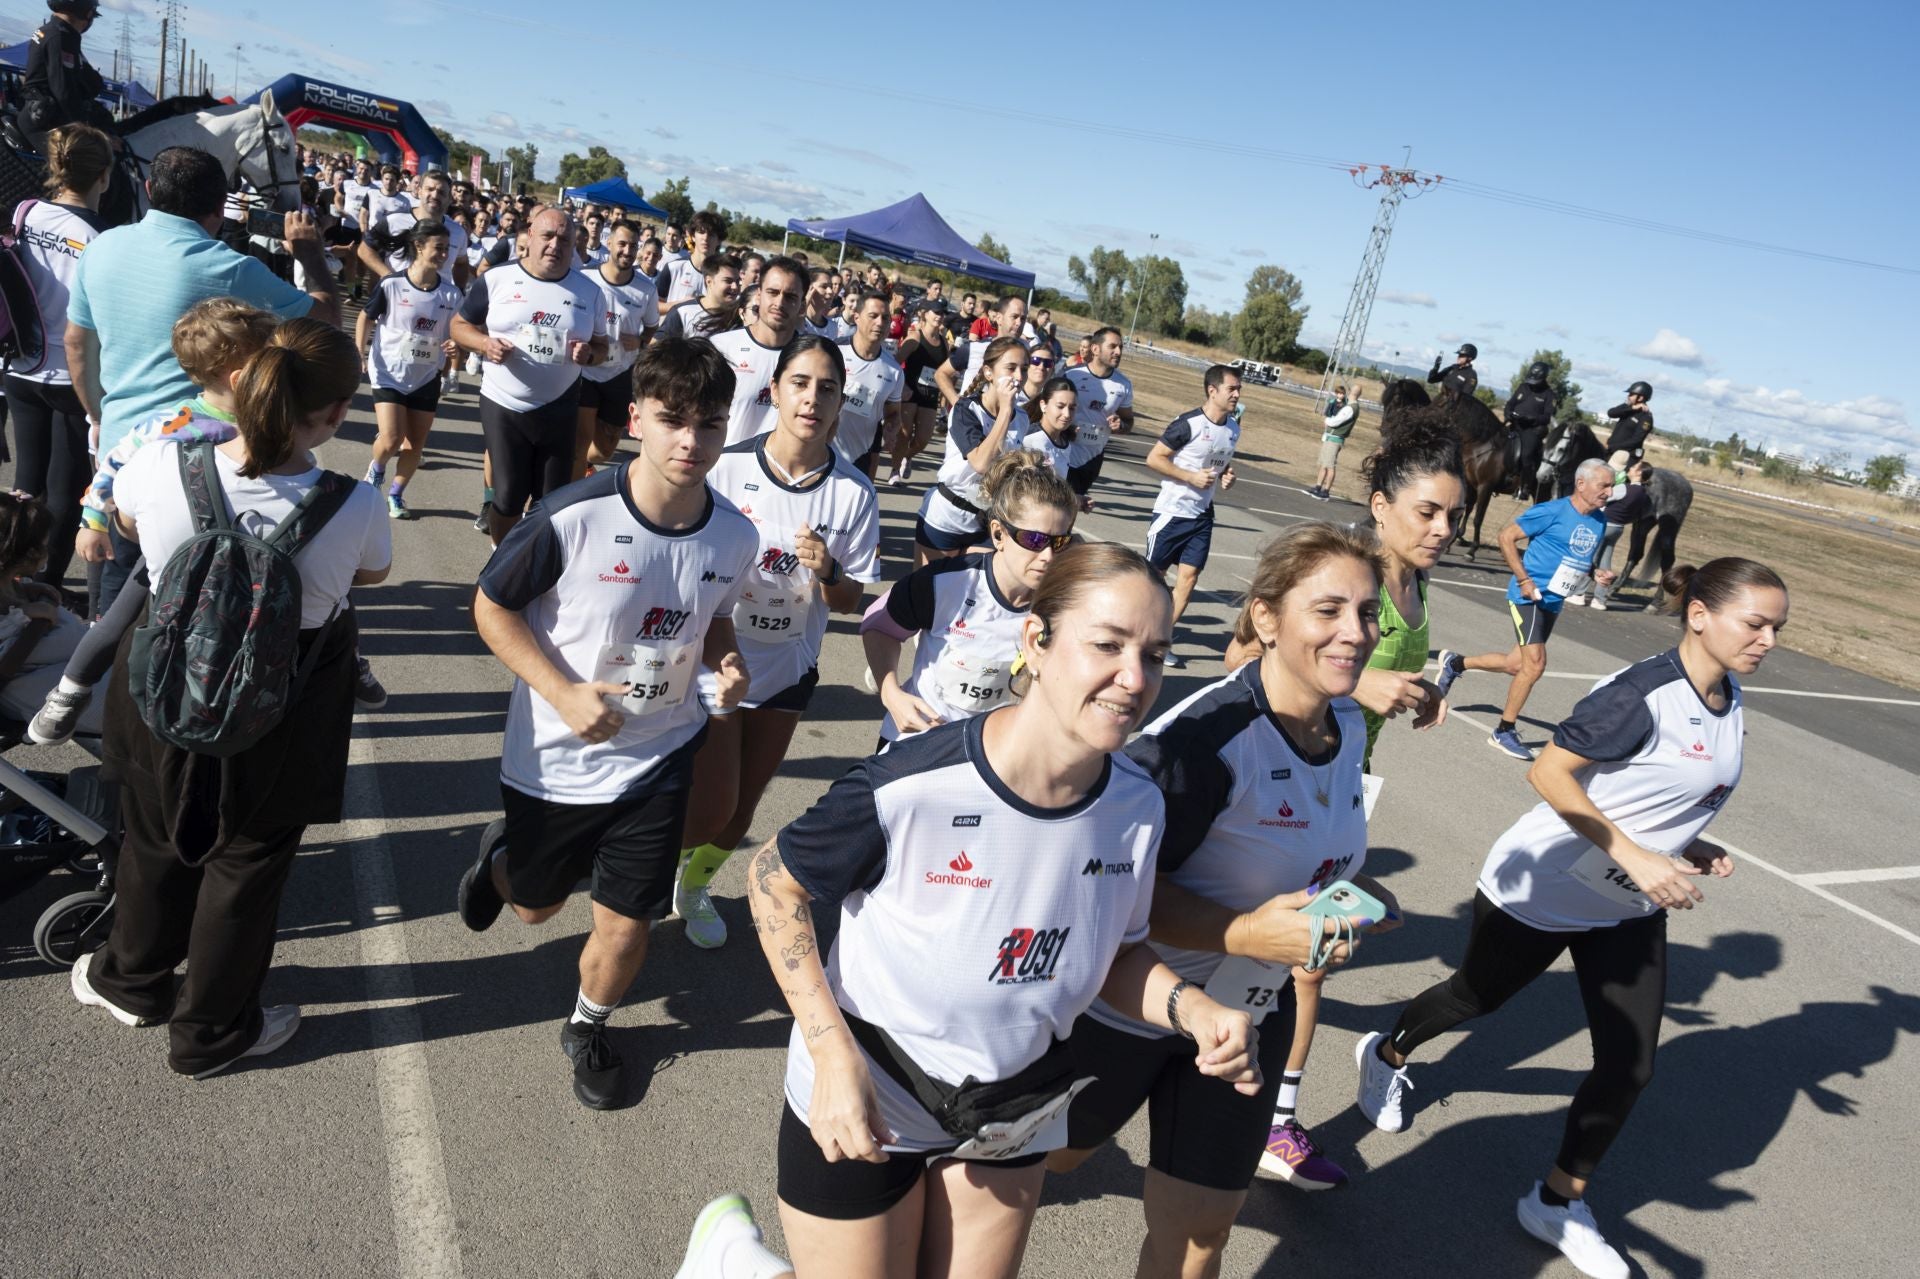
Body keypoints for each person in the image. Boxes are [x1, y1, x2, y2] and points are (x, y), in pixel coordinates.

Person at [744, 541, 1258, 1279]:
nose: (1135, 677)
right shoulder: (915, 784)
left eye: (1155, 652)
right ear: (1036, 642)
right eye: (1107, 645)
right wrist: (830, 1054)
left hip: (1014, 1105)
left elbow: (1113, 951)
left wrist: (1192, 1009)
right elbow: (771, 881)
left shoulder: (1139, 804)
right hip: (874, 1087)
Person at [1356, 559, 1788, 1279]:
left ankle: (1557, 1200)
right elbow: (1548, 772)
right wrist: (1636, 852)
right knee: (1475, 995)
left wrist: (1684, 842)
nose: (1768, 638)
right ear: (1700, 614)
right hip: (1546, 884)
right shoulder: (1640, 693)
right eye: (1756, 622)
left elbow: (1657, 787)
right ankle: (1387, 1052)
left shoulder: (1728, 691)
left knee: (1630, 1062)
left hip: (1624, 902)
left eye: (1778, 626)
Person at [1044, 526, 1389, 1277]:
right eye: (1329, 609)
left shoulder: (1349, 722)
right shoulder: (1202, 741)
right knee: (1048, 1164)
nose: (1356, 633)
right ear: (1266, 618)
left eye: (1368, 614)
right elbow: (1103, 892)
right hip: (1126, 1009)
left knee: (1203, 1235)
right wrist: (1243, 932)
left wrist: (1345, 907)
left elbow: (1315, 860)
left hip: (1244, 1022)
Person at [71, 319, 392, 1080]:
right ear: (337, 410)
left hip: (162, 692)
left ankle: (130, 980)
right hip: (281, 709)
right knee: (245, 867)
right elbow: (367, 576)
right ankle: (211, 1032)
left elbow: (122, 524)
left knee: (151, 840)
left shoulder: (158, 464)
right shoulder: (355, 505)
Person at [458, 338, 759, 1110]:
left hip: (660, 753)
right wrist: (560, 692)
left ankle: (588, 1024)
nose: (692, 442)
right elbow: (492, 607)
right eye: (673, 421)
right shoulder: (572, 516)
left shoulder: (735, 535)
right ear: (635, 419)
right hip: (555, 761)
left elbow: (715, 618)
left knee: (628, 925)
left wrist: (724, 665)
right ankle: (501, 863)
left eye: (712, 425)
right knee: (535, 906)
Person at [1227, 408, 1467, 1189]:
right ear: (1381, 506)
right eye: (1427, 511)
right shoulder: (1339, 570)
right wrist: (1360, 680)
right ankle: (1273, 1117)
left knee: (1303, 957)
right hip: (1282, 768)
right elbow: (1245, 649)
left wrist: (1416, 694)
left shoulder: (1414, 581)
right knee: (1300, 959)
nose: (1442, 528)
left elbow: (1377, 674)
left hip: (1344, 782)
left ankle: (1258, 1103)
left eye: (1453, 515)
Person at [64, 146, 340, 616]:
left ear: (150, 191)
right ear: (220, 206)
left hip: (120, 448)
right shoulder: (231, 268)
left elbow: (76, 344)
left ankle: (94, 681)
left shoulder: (103, 246)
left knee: (112, 602)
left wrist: (98, 414)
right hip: (201, 469)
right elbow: (328, 320)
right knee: (195, 609)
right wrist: (311, 255)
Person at [673, 337, 882, 950]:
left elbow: (849, 602)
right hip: (715, 659)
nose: (811, 398)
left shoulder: (853, 493)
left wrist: (830, 571)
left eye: (827, 388)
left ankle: (693, 889)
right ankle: (647, 861)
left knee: (741, 809)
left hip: (789, 666)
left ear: (842, 402)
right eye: (800, 383)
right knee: (710, 799)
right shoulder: (728, 467)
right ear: (775, 390)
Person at [34, 299, 284, 744]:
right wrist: (91, 520)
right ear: (240, 376)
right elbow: (113, 463)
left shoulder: (268, 419)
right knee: (116, 622)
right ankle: (70, 691)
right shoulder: (176, 424)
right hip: (166, 555)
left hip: (234, 551)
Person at [863, 450, 1075, 745]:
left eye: (1060, 541)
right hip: (916, 743)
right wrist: (891, 693)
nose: (1048, 555)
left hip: (993, 757)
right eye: (1035, 540)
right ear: (999, 534)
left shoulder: (1063, 606)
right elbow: (879, 626)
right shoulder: (946, 582)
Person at [1434, 457, 1618, 760]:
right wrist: (1523, 579)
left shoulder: (1598, 520)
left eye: (1611, 487)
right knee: (1535, 665)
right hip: (1528, 597)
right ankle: (1503, 730)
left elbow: (1576, 555)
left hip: (1554, 600)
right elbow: (1506, 537)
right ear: (1581, 484)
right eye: (1604, 485)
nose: (1609, 492)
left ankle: (1455, 664)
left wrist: (1596, 572)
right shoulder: (1552, 511)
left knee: (1514, 664)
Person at [450, 206, 608, 543]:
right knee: (507, 495)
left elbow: (602, 346)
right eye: (548, 236)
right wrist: (484, 344)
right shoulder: (497, 279)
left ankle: (528, 563)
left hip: (559, 407)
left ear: (574, 245)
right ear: (530, 236)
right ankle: (500, 556)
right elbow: (459, 326)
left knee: (550, 501)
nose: (555, 245)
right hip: (505, 403)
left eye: (564, 239)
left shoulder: (589, 291)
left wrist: (590, 354)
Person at [6, 122, 111, 594]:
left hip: (19, 364)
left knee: (27, 483)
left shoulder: (25, 212)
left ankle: (8, 575)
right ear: (104, 177)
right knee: (66, 492)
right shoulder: (100, 236)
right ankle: (45, 583)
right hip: (71, 377)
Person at [357, 221, 464, 519]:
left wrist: (455, 350)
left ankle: (396, 495)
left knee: (415, 444)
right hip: (388, 371)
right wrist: (360, 352)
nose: (444, 255)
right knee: (391, 438)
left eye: (447, 249)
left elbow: (457, 333)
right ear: (419, 247)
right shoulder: (392, 284)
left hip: (426, 376)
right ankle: (376, 471)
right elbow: (365, 318)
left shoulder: (452, 295)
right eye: (438, 248)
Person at [1144, 364, 1240, 669]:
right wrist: (1189, 477)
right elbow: (1154, 458)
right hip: (1172, 512)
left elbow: (1218, 463)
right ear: (1213, 391)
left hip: (1201, 516)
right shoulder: (1187, 424)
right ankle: (1137, 632)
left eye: (1239, 389)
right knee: (1152, 581)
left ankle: (1161, 640)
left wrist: (1226, 477)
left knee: (1188, 579)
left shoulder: (1234, 428)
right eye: (1232, 389)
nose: (1237, 394)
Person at [914, 336, 1030, 567]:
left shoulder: (1023, 419)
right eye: (1011, 368)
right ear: (989, 372)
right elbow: (980, 463)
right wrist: (1005, 412)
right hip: (948, 517)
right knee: (928, 593)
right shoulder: (966, 410)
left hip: (987, 519)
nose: (1019, 377)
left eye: (1024, 369)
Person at [0, 494, 100, 735]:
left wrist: (22, 591)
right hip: (27, 683)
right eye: (42, 546)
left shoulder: (13, 586)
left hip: (71, 664)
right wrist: (26, 616)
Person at [575, 220, 664, 477]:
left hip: (620, 373)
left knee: (605, 450)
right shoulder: (587, 277)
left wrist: (639, 341)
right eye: (622, 243)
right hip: (586, 371)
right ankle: (570, 485)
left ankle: (582, 463)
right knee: (580, 441)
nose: (627, 250)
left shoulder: (646, 289)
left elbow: (651, 329)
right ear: (609, 243)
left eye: (633, 245)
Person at [709, 255, 807, 446]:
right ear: (759, 295)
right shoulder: (721, 347)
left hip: (778, 473)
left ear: (802, 305)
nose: (779, 303)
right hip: (719, 469)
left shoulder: (812, 359)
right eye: (773, 292)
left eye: (790, 296)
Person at [832, 290, 907, 478]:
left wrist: (891, 429)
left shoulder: (893, 371)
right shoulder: (834, 352)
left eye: (885, 318)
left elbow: (893, 413)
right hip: (821, 448)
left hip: (860, 455)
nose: (880, 323)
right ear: (856, 317)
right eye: (873, 316)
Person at [19, 0, 111, 151]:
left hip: (43, 116)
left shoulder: (53, 31)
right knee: (85, 166)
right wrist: (90, 133)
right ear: (85, 13)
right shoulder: (60, 37)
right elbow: (64, 92)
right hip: (44, 122)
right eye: (91, 15)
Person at [360, 168, 471, 292]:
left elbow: (461, 263)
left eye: (441, 192)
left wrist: (459, 290)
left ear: (450, 198)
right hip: (396, 297)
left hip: (437, 304)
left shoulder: (458, 232)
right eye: (430, 189)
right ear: (419, 192)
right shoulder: (394, 221)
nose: (434, 195)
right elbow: (364, 249)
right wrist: (387, 275)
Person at [1061, 327, 1134, 507]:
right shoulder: (1072, 376)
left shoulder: (1123, 385)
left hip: (1091, 458)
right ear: (1095, 349)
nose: (1118, 352)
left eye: (1121, 348)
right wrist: (1065, 428)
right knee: (1057, 506)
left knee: (1071, 511)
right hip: (1063, 451)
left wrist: (1121, 425)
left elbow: (1128, 421)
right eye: (1113, 347)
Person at [884, 304, 951, 486]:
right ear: (925, 314)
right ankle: (895, 470)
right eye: (936, 312)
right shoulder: (915, 337)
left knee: (923, 439)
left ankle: (907, 456)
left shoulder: (944, 342)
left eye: (942, 313)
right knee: (904, 434)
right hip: (910, 392)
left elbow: (945, 370)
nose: (939, 316)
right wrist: (902, 386)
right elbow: (895, 363)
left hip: (930, 394)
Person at [935, 295, 1027, 417]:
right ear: (999, 318)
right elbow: (941, 373)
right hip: (968, 425)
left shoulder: (1026, 355)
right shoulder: (975, 348)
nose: (1019, 323)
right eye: (1014, 317)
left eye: (1023, 318)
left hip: (1003, 425)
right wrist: (958, 404)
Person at [1585, 458, 1652, 610]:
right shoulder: (1643, 494)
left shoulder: (1624, 488)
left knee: (1591, 558)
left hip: (1604, 524)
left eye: (1634, 467)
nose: (1630, 468)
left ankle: (1579, 592)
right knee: (1606, 561)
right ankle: (1600, 599)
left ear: (1639, 473)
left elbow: (1603, 496)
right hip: (1618, 528)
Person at [656, 251, 741, 342]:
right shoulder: (683, 313)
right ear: (709, 282)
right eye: (728, 281)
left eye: (738, 281)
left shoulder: (740, 317)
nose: (735, 287)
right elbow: (655, 350)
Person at [656, 209, 725, 308]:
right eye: (701, 232)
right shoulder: (673, 268)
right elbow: (654, 307)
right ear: (692, 236)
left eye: (711, 234)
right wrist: (680, 305)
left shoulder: (723, 276)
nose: (705, 238)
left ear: (719, 240)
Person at [1019, 375, 1077, 482]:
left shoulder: (1065, 442)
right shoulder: (1027, 438)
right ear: (1043, 405)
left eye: (1072, 408)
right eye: (1060, 406)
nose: (1067, 414)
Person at [1311, 384, 1357, 501]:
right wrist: (1327, 419)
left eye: (1342, 393)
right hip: (1328, 436)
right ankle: (1318, 486)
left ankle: (1326, 490)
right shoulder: (1333, 402)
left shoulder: (1348, 406)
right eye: (1338, 393)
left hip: (1336, 438)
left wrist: (1328, 421)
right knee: (1323, 463)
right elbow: (1328, 413)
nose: (1340, 395)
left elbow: (1337, 421)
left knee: (1330, 465)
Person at [1604, 382, 1655, 461]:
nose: (1628, 396)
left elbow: (1636, 440)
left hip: (1627, 456)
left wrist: (1612, 447)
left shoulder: (1646, 417)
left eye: (1631, 394)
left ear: (1640, 398)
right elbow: (1611, 413)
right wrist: (1632, 408)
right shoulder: (1628, 407)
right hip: (1611, 451)